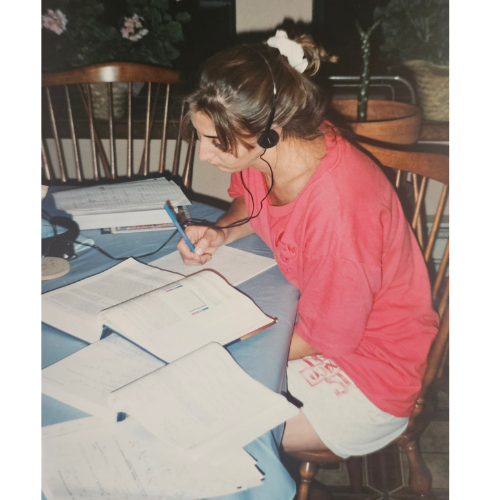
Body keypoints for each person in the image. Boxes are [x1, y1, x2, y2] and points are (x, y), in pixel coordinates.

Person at [176, 31, 439, 459]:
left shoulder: (338, 211)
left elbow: (328, 337)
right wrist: (223, 231)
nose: (204, 155)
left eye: (215, 141)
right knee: (191, 387)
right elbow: (250, 195)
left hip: (371, 374)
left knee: (208, 423)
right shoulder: (285, 147)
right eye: (201, 136)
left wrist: (219, 341)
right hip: (319, 322)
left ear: (269, 134)